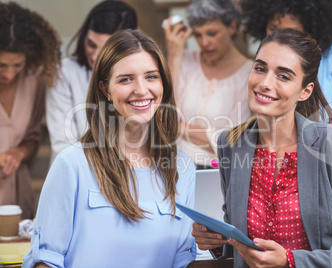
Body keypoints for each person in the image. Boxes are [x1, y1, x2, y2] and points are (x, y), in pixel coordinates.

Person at [192, 29, 332, 267]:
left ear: (305, 91)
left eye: (283, 76)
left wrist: (290, 260)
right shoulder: (230, 145)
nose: (264, 83)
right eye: (260, 68)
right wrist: (218, 241)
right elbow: (241, 241)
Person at [23, 29, 196, 268]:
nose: (141, 89)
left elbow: (181, 257)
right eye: (126, 79)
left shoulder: (182, 168)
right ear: (105, 90)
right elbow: (46, 259)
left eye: (151, 76)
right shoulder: (72, 164)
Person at [239, 0, 332, 154]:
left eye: (290, 31)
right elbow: (263, 129)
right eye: (273, 28)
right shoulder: (263, 66)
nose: (280, 37)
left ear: (311, 31)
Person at [163, 0, 252, 168]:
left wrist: (177, 128)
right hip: (172, 166)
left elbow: (231, 141)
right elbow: (163, 114)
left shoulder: (250, 74)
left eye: (212, 33)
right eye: (198, 35)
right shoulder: (184, 60)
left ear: (232, 27)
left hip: (217, 174)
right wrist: (173, 59)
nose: (204, 42)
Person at [47, 0, 138, 163]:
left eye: (105, 49)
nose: (95, 55)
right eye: (91, 44)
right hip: (77, 170)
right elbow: (63, 142)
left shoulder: (137, 76)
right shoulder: (64, 72)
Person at [0, 2, 61, 219]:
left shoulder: (34, 80)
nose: (9, 74)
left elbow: (33, 138)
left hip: (18, 200)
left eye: (17, 65)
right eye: (1, 65)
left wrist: (19, 153)